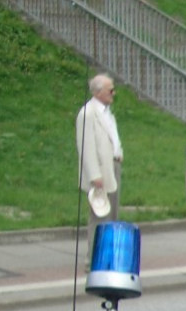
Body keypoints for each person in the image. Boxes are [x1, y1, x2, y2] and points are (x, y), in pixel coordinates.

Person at [76, 73, 122, 255]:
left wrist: (119, 153)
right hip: (100, 175)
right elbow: (85, 147)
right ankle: (93, 259)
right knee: (99, 216)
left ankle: (107, 256)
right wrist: (95, 176)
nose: (114, 93)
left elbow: (112, 138)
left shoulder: (107, 113)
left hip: (112, 168)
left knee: (112, 216)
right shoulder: (87, 114)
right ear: (98, 92)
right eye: (110, 90)